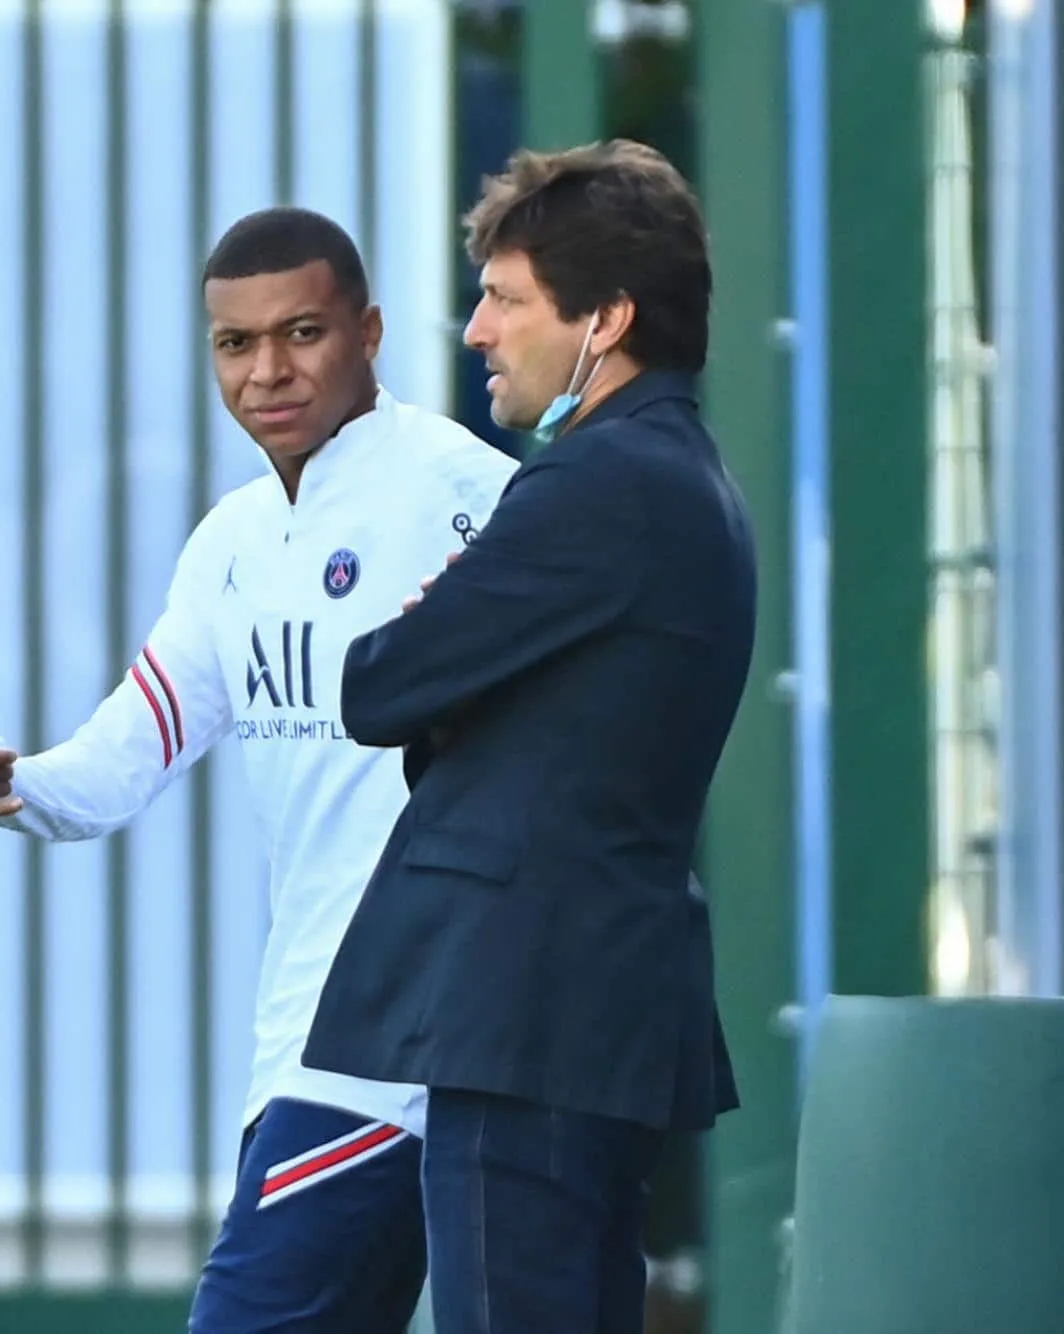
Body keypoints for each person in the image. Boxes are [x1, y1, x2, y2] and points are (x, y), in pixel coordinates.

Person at [0, 206, 516, 1332]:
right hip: (301, 1041)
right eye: (234, 343)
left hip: (402, 1044)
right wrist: (18, 785)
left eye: (300, 333)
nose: (267, 371)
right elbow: (131, 749)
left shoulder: (465, 494)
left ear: (370, 331)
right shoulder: (232, 542)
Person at [301, 140, 753, 1334]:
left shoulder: (593, 488)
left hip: (531, 1014)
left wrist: (437, 658)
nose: (475, 331)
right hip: (587, 1006)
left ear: (603, 318)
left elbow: (379, 682)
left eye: (504, 299)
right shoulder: (674, 479)